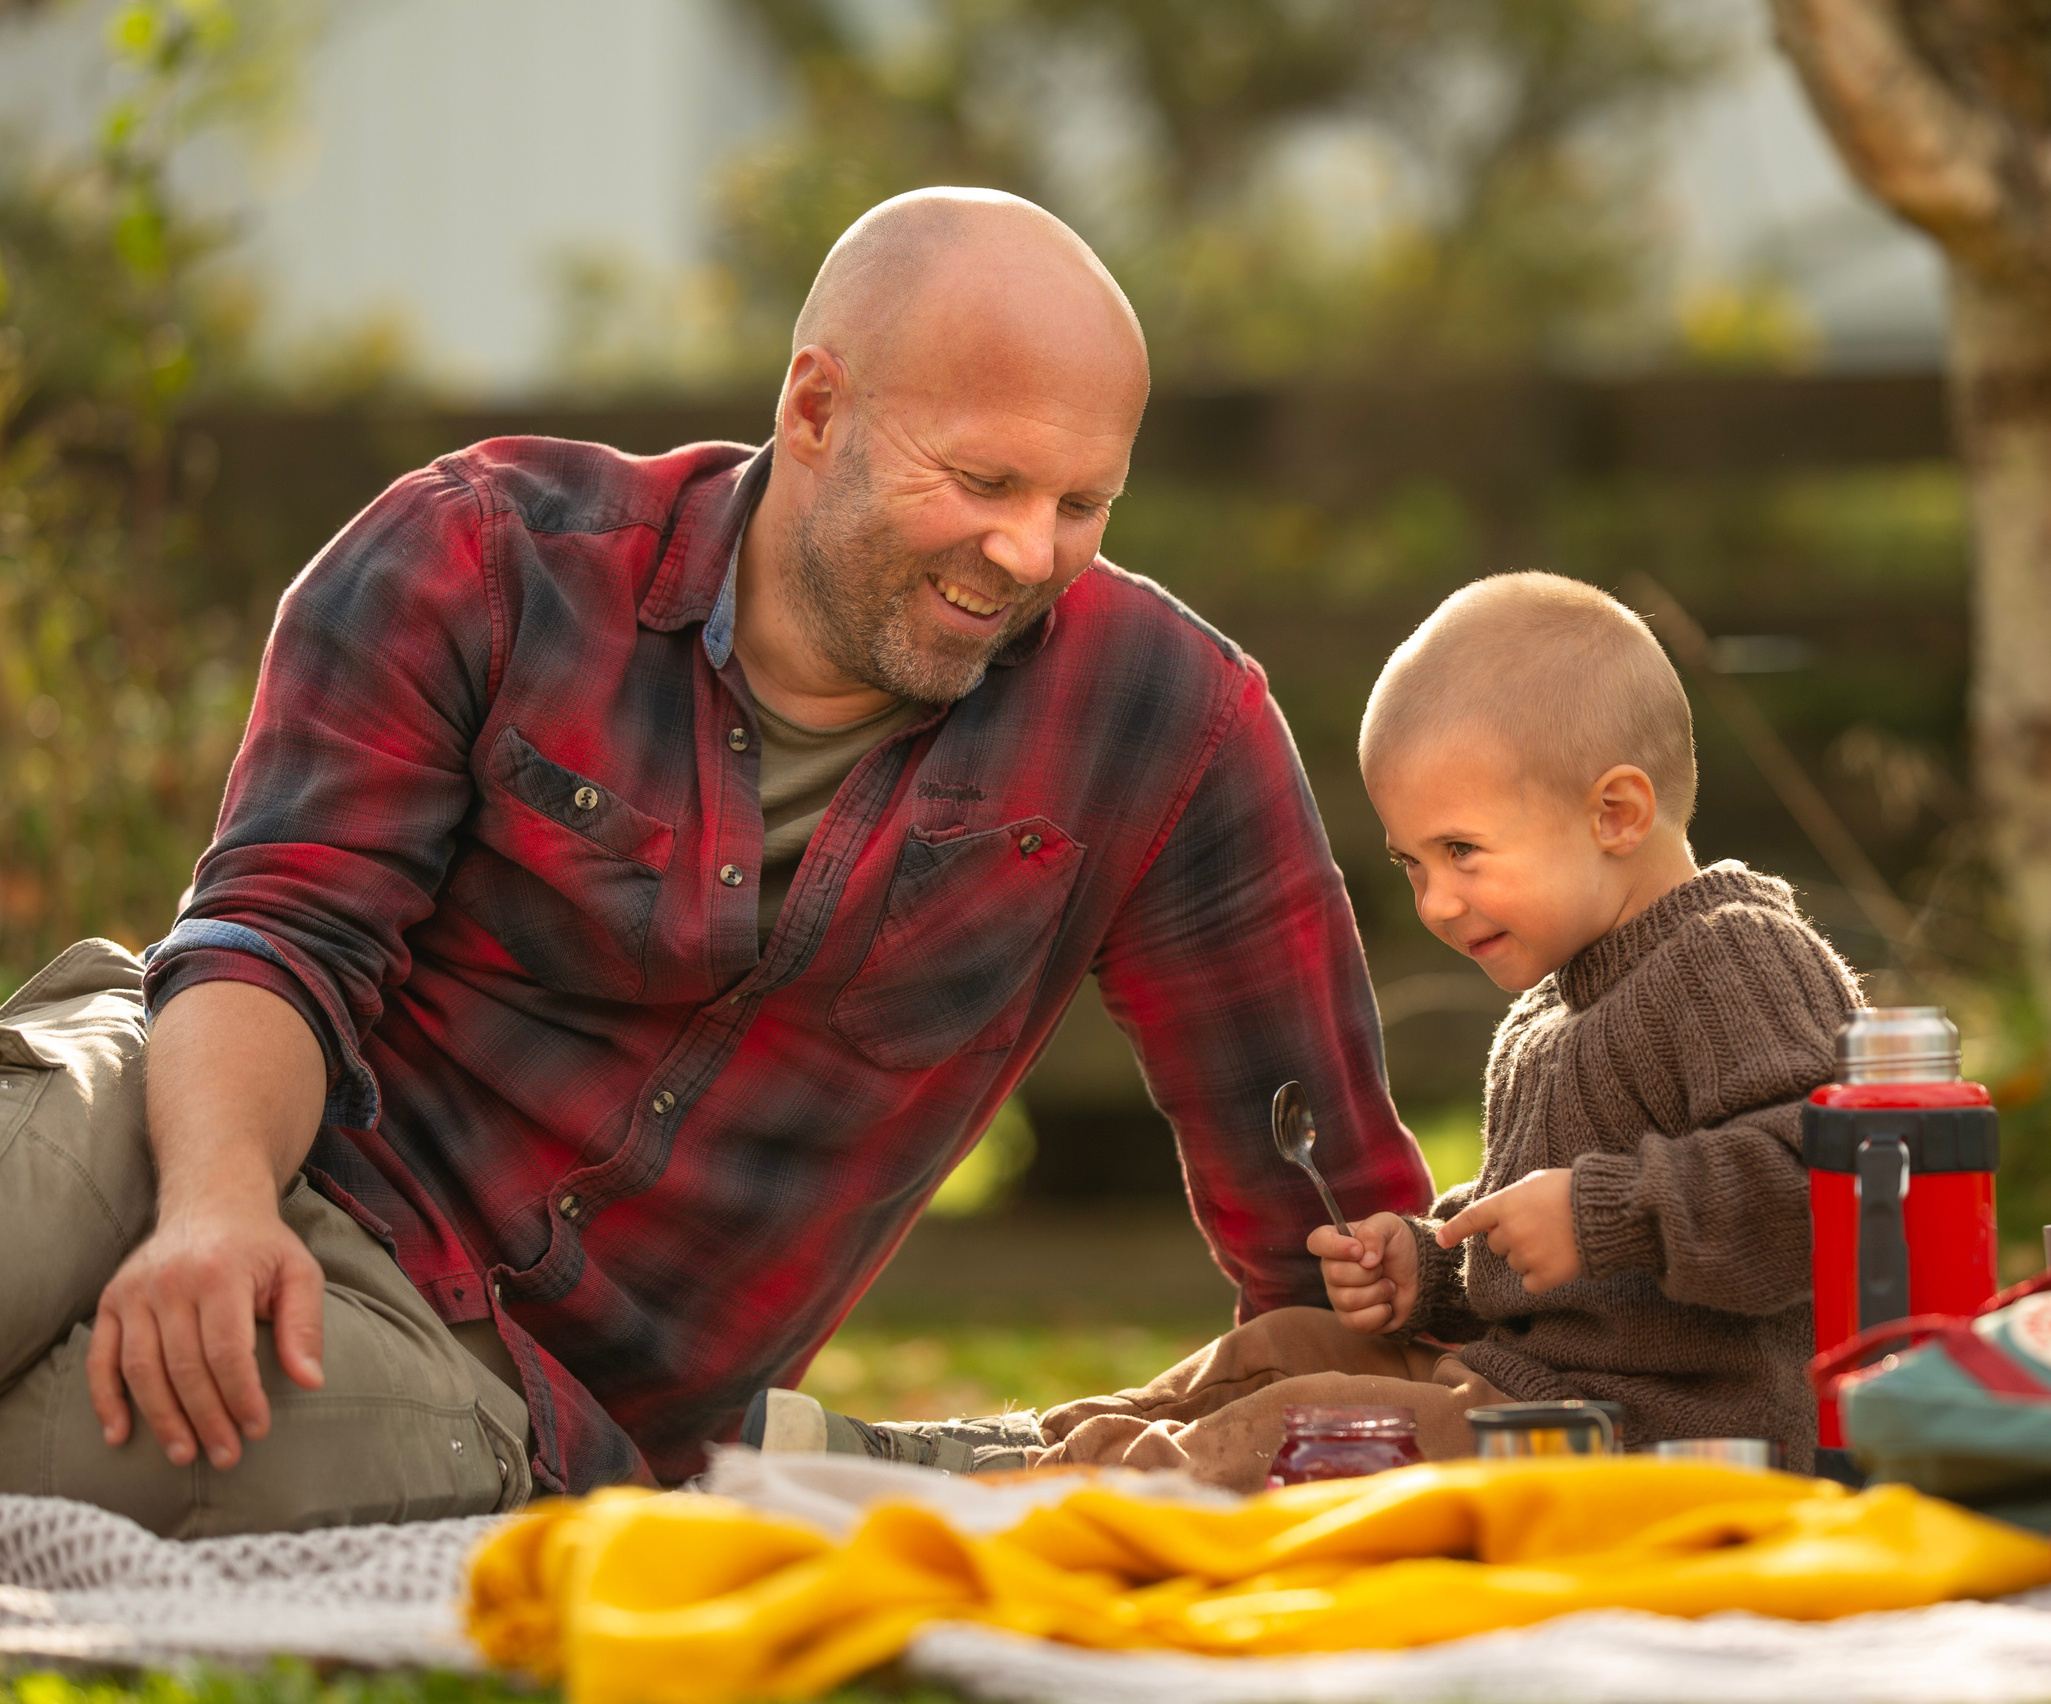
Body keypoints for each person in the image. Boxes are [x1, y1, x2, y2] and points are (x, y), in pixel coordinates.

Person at [0, 188, 1432, 1535]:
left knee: (87, 1449)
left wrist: (1441, 1396)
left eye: (1081, 503)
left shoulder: (1168, 728)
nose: (1026, 551)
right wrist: (217, 1204)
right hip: (208, 1111)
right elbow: (276, 935)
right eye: (983, 479)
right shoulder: (484, 557)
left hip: (484, 1382)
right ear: (815, 408)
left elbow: (1327, 1210)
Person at [764, 572, 1861, 1489]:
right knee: (1286, 1346)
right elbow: (1545, 1273)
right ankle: (1022, 1449)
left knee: (1310, 1425)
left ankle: (1069, 1495)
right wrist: (1429, 1266)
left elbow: (1833, 1194)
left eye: (1462, 852)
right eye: (1410, 864)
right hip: (1524, 1397)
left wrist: (1599, 1213)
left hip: (1663, 1437)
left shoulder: (1732, 955)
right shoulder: (1549, 1010)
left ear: (1615, 813)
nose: (1435, 903)